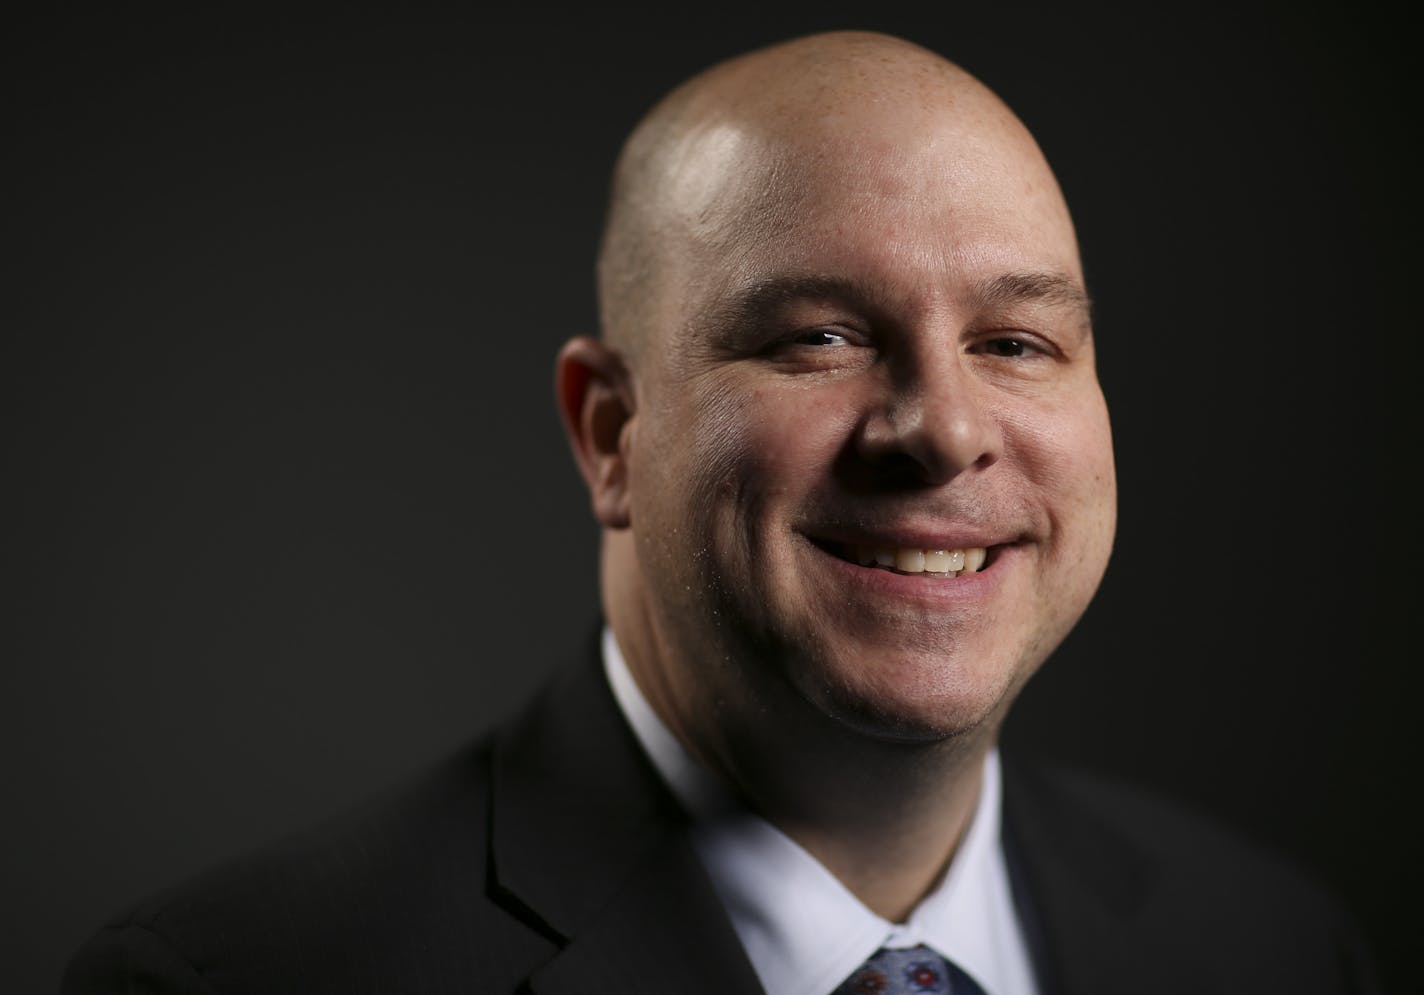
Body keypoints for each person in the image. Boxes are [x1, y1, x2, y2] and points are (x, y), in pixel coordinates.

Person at [63, 30, 1378, 995]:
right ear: (611, 434)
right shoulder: (231, 982)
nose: (944, 429)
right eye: (818, 335)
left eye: (1017, 340)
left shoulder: (1274, 948)